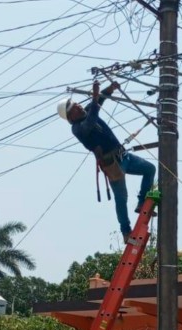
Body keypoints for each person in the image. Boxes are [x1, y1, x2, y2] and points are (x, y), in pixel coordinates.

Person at [57, 80, 156, 244]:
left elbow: (101, 99)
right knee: (121, 197)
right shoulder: (78, 128)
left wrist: (109, 89)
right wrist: (95, 97)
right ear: (71, 116)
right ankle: (126, 232)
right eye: (75, 108)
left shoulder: (87, 111)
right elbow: (92, 118)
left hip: (123, 156)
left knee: (149, 169)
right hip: (112, 165)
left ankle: (141, 202)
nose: (80, 107)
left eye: (78, 105)